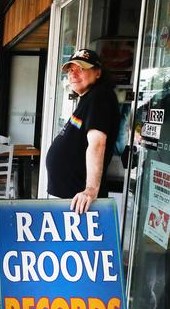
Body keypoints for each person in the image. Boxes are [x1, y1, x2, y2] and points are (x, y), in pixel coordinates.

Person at [46, 49, 121, 213]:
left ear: (98, 73)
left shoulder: (100, 97)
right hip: (72, 196)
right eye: (71, 70)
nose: (73, 74)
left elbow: (97, 144)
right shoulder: (89, 98)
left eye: (81, 68)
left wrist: (90, 190)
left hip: (80, 201)